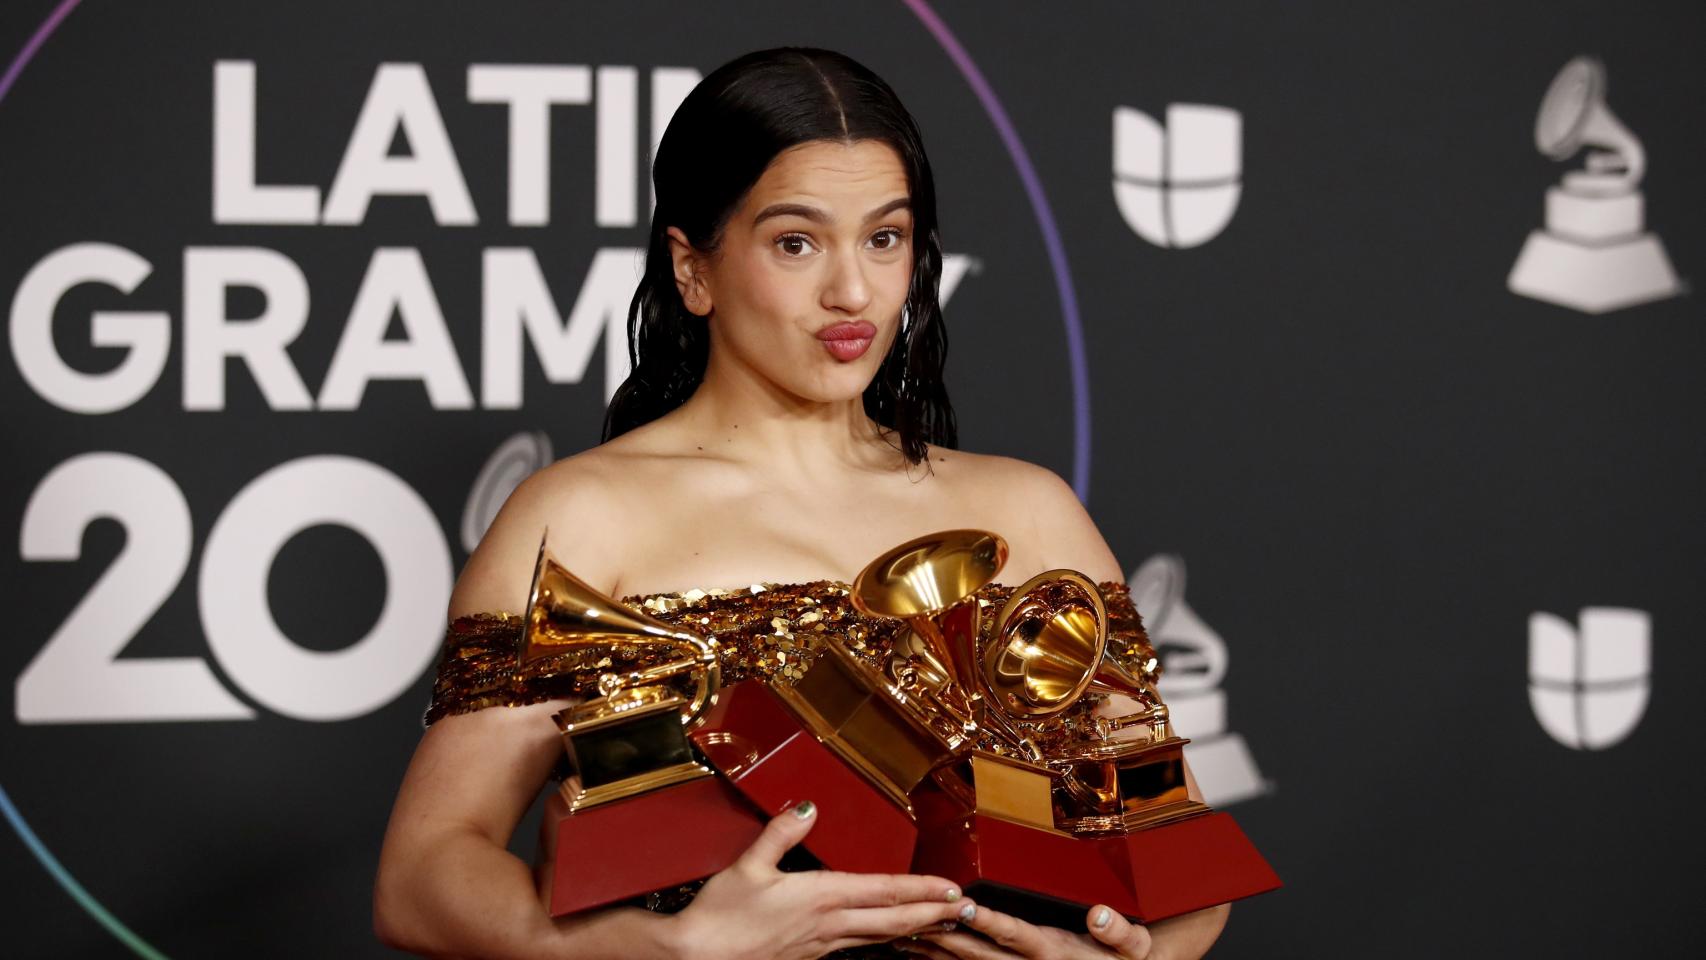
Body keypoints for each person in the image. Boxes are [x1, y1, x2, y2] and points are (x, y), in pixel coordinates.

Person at [373, 47, 1230, 960]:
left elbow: (1178, 850)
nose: (852, 292)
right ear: (693, 269)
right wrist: (662, 952)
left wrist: (1133, 958)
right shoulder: (582, 519)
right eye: (796, 242)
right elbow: (423, 876)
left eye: (885, 238)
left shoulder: (1030, 510)